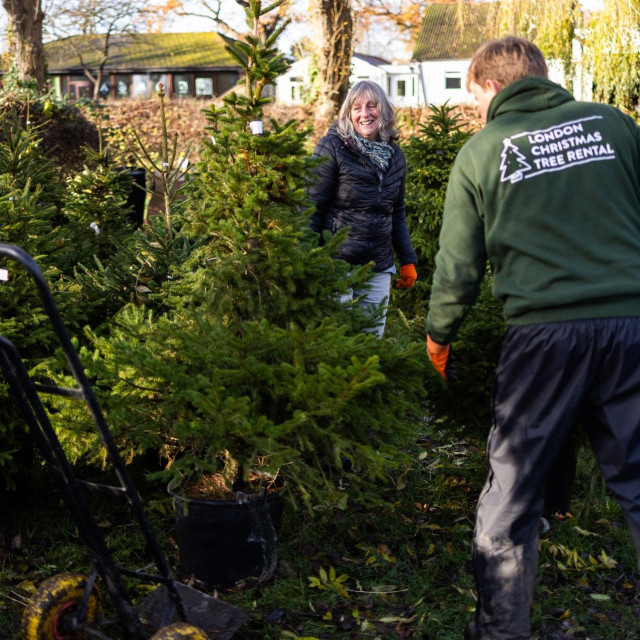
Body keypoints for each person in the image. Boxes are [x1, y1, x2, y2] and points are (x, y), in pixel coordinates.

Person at [425, 36, 640, 640]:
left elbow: (458, 266)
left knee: (512, 497)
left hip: (543, 340)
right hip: (632, 329)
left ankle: (500, 631)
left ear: (493, 86)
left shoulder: (482, 150)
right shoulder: (615, 125)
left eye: (475, 99)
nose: (476, 112)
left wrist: (439, 336)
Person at [307, 80, 418, 338]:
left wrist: (408, 260)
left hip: (377, 266)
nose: (364, 114)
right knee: (337, 340)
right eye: (357, 107)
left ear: (384, 111)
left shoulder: (394, 155)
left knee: (370, 344)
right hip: (336, 264)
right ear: (348, 113)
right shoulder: (333, 147)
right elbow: (310, 207)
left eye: (372, 106)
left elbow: (397, 212)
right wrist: (310, 260)